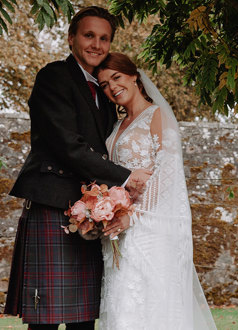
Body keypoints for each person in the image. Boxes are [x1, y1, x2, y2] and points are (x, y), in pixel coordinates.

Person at [4, 7, 151, 330]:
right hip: (54, 204)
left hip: (94, 211)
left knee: (84, 319)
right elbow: (68, 146)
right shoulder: (54, 76)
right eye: (89, 35)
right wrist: (126, 177)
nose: (97, 44)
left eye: (104, 38)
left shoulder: (105, 90)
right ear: (72, 38)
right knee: (45, 320)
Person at [96, 53, 217, 329]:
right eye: (104, 84)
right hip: (119, 232)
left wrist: (133, 215)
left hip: (149, 229)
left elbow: (168, 173)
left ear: (134, 76)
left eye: (116, 77)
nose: (112, 87)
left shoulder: (157, 115)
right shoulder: (116, 126)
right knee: (122, 306)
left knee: (149, 307)